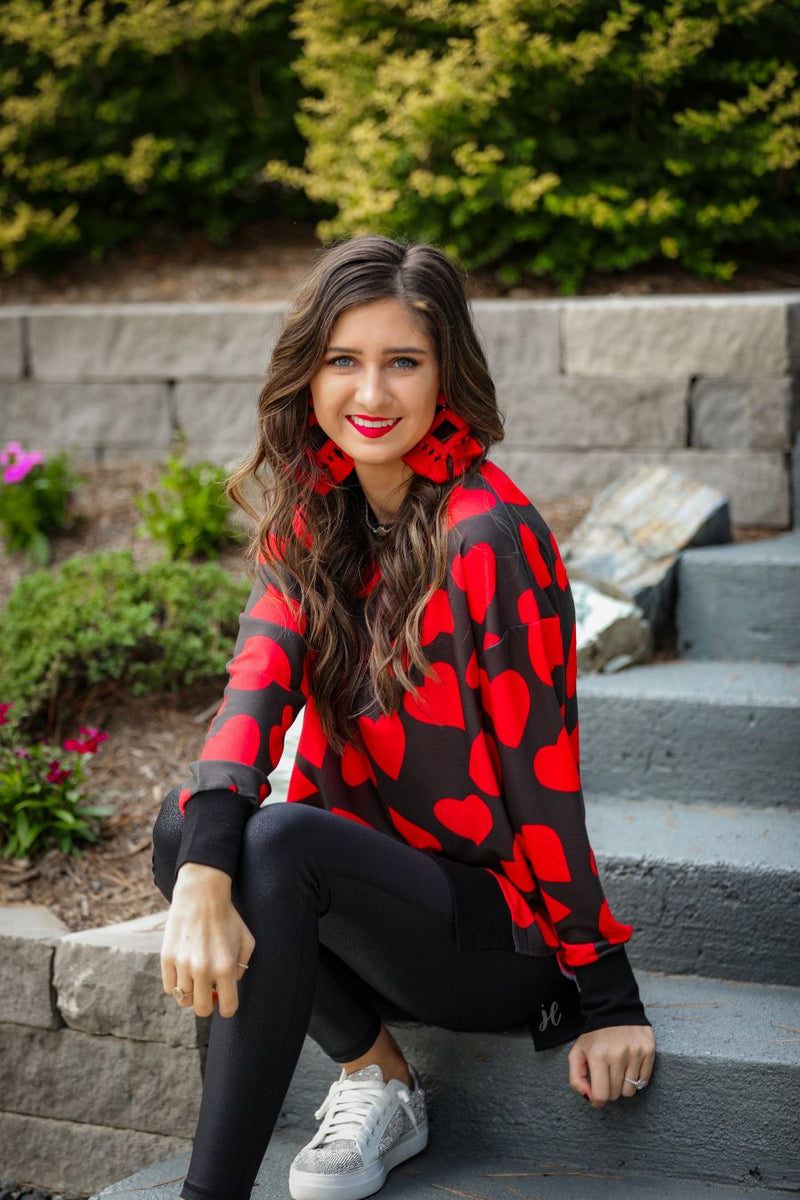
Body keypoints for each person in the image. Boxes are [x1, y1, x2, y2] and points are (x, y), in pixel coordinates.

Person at [152, 234, 656, 1200]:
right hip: (365, 916)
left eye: (402, 362)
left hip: (494, 939)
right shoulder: (313, 522)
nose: (371, 393)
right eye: (344, 360)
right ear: (308, 374)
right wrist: (202, 869)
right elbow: (248, 705)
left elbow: (541, 781)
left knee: (278, 841)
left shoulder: (487, 536)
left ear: (445, 376)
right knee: (192, 827)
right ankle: (378, 1073)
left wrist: (604, 995)